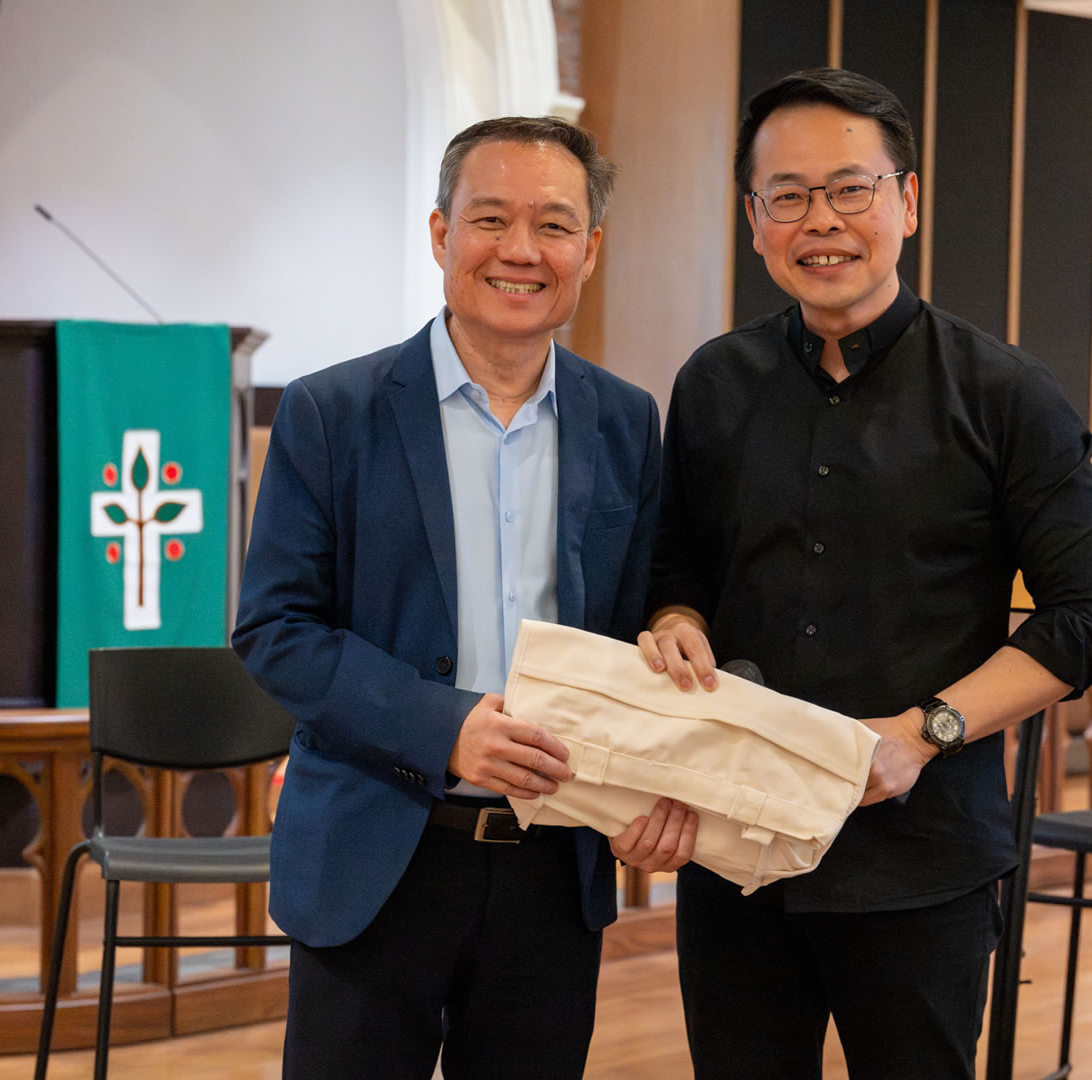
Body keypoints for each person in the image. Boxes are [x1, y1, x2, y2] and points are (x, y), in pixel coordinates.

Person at [641, 68, 1092, 1079]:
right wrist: (678, 618)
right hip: (736, 843)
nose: (821, 221)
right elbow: (677, 568)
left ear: (906, 201)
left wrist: (922, 733)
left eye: (849, 189)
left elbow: (1085, 617)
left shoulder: (1006, 393)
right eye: (788, 195)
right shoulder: (713, 382)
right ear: (754, 219)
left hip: (922, 856)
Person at [234, 115, 691, 1079]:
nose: (521, 250)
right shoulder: (332, 411)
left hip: (553, 863)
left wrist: (670, 642)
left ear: (590, 250)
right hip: (374, 854)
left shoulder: (624, 419)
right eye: (490, 219)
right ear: (442, 234)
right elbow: (276, 629)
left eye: (554, 225)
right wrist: (444, 727)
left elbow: (644, 609)